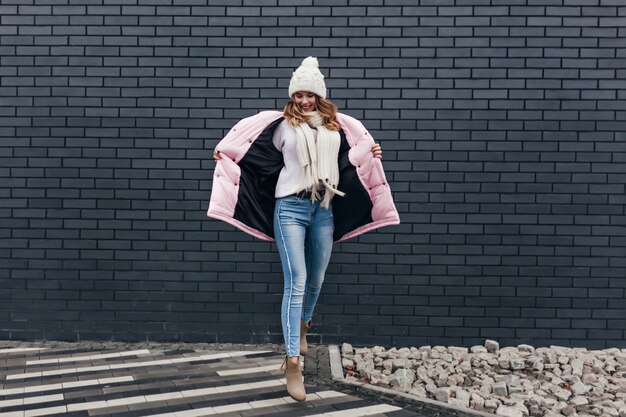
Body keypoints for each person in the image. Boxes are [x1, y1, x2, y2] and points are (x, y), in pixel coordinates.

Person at [208, 57, 400, 401]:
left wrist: (371, 152)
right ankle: (292, 361)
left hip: (323, 208)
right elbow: (254, 156)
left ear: (319, 96)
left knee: (317, 279)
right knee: (295, 281)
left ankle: (303, 325)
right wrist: (225, 155)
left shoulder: (335, 127)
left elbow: (348, 161)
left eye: (309, 95)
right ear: (292, 96)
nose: (303, 101)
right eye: (298, 95)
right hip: (290, 209)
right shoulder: (281, 126)